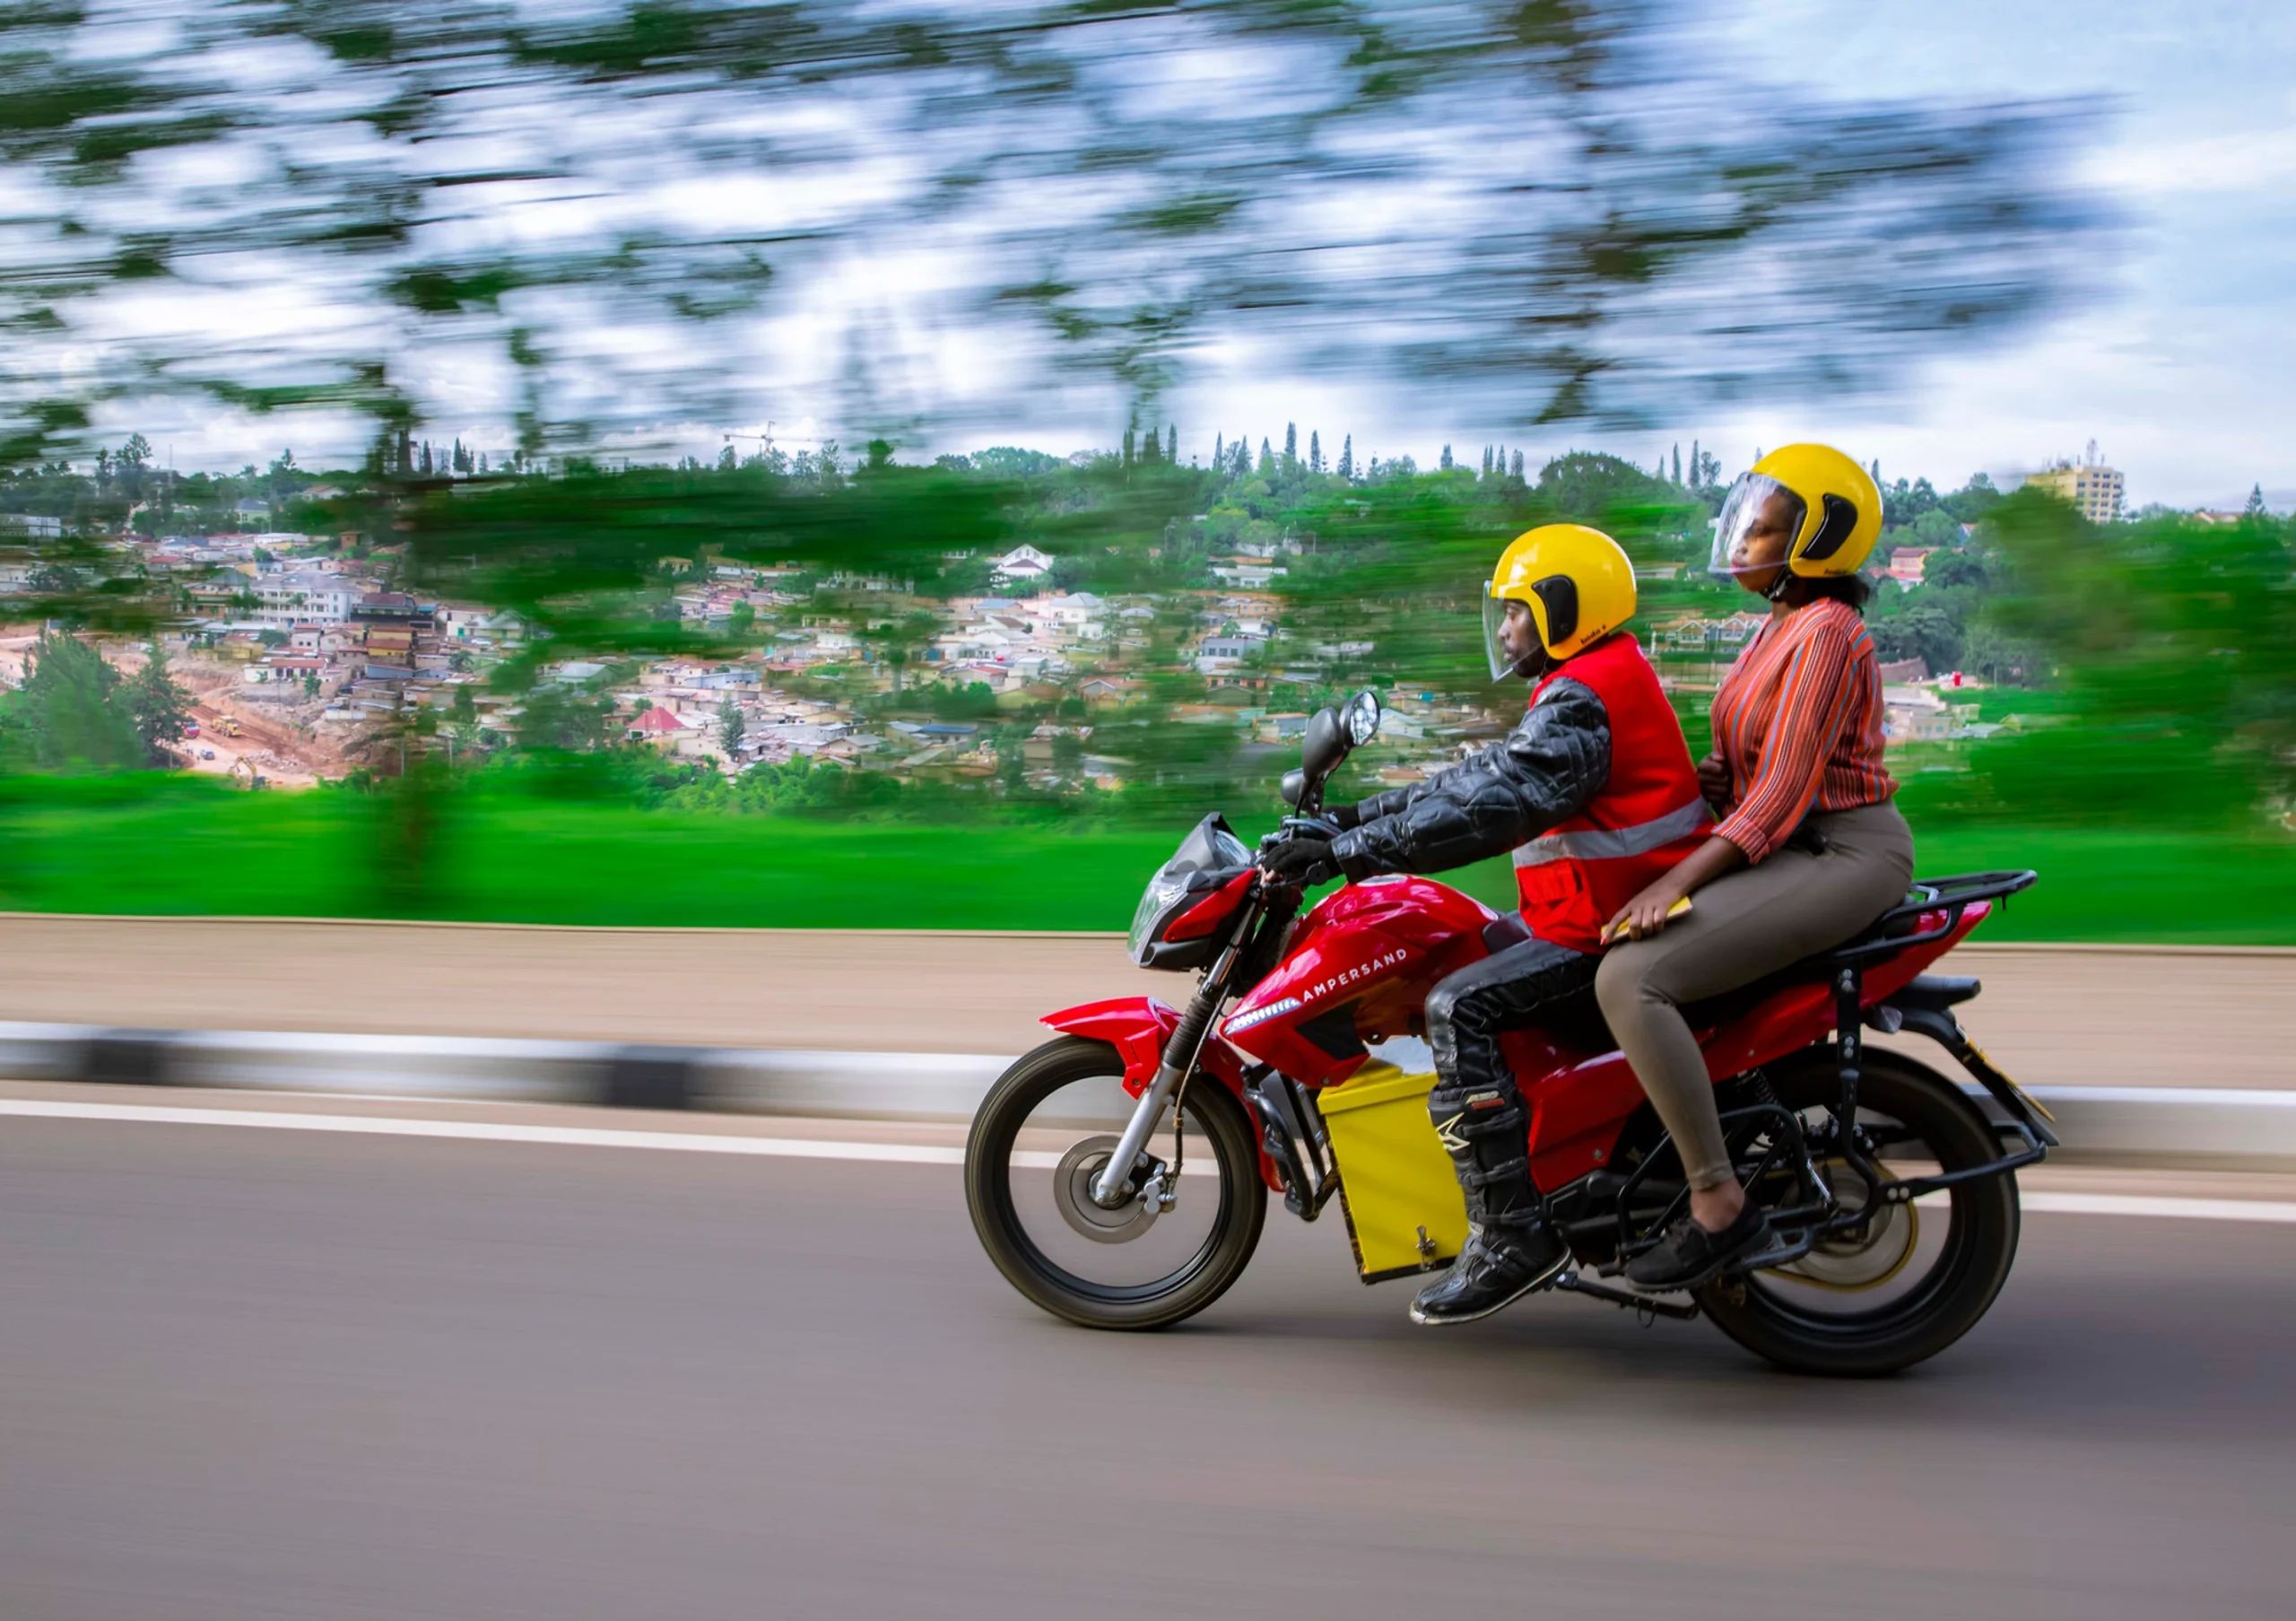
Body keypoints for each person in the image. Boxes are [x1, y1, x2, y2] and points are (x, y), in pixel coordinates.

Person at [1264, 525, 1710, 1325]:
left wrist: (1350, 855)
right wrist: (1349, 824)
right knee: (1460, 954)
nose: (1504, 629)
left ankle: (1513, 1235)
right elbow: (1480, 777)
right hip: (1589, 915)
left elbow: (1493, 810)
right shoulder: (1586, 684)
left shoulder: (1583, 700)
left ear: (1565, 609)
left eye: (1518, 611)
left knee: (1456, 1006)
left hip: (1609, 928)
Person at [1593, 443, 1912, 1291]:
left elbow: (1777, 797)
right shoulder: (1775, 629)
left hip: (1841, 850)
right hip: (1791, 842)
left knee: (1632, 980)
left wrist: (1673, 883)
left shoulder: (1829, 635)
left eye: (1763, 528)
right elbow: (1731, 776)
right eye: (1743, 525)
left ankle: (1716, 1204)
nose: (1741, 543)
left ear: (1819, 537)